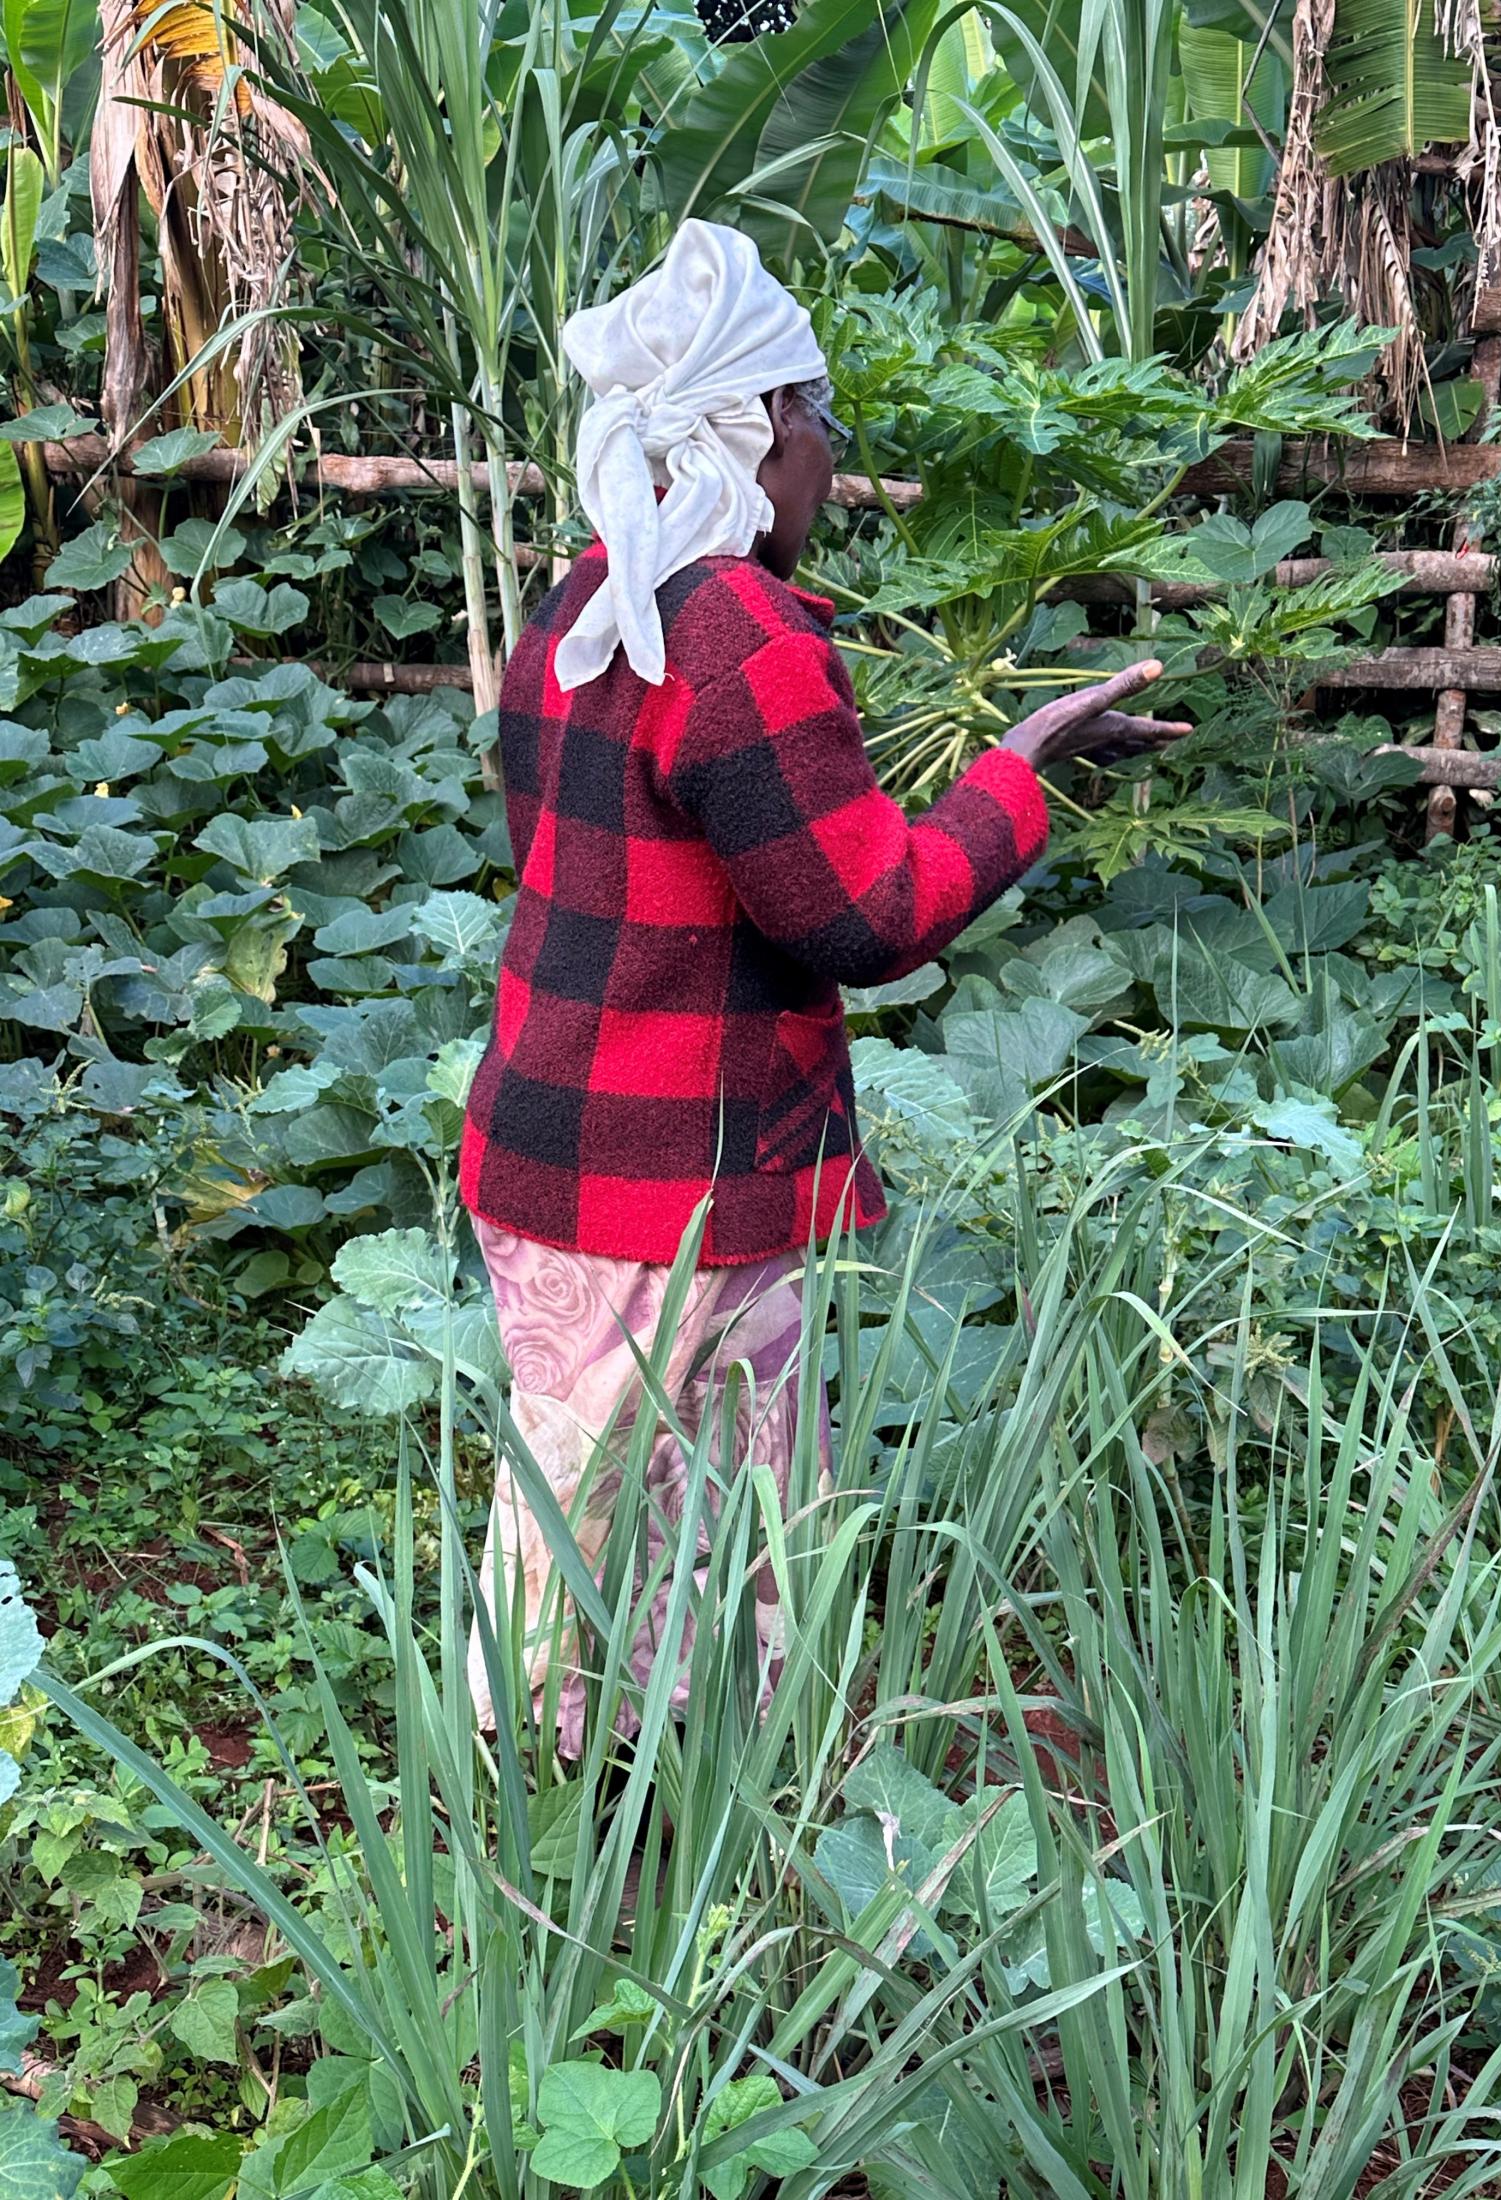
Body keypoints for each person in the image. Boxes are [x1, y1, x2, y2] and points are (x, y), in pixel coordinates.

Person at [458, 220, 1190, 1748]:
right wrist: (1017, 766)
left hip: (542, 1146)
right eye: (820, 416)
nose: (833, 458)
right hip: (681, 1178)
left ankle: (552, 1824)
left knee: (571, 1514)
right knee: (709, 1532)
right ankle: (685, 1829)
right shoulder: (735, 635)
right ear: (760, 428)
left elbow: (585, 855)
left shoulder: (584, 604)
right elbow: (863, 916)